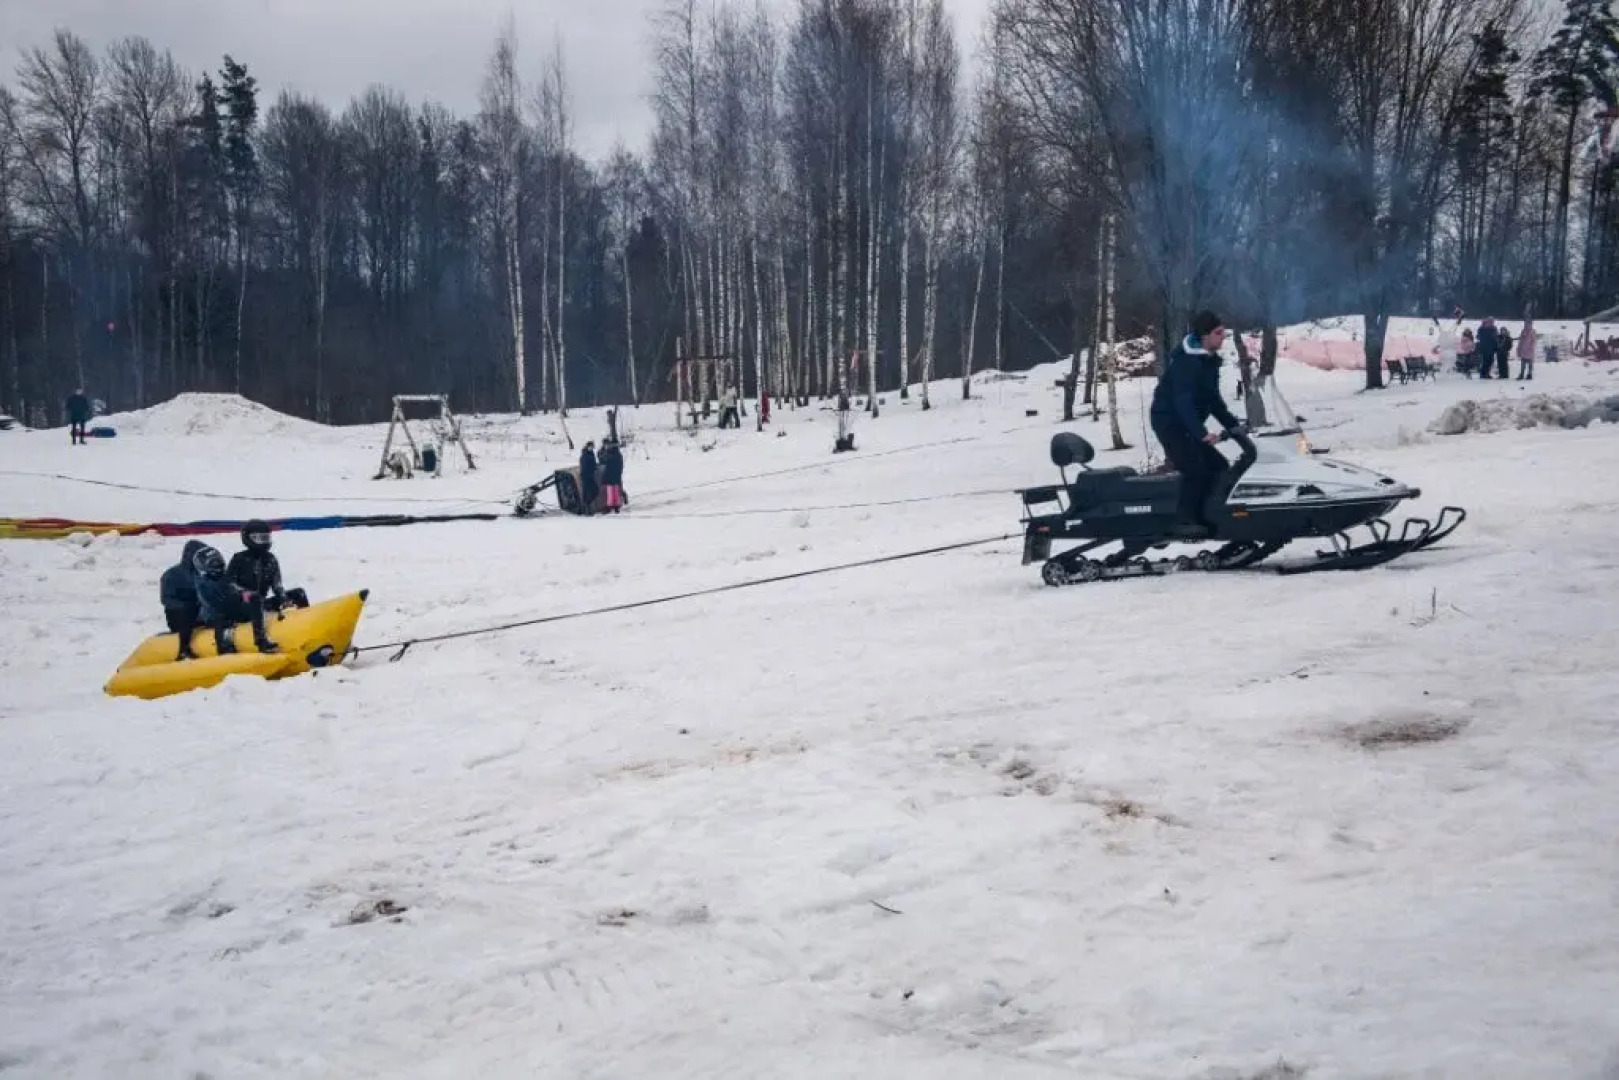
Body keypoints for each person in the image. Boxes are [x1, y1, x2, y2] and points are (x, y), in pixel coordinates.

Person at [1149, 310, 1243, 534]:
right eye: (1219, 333)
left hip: (1189, 425)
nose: (1223, 337)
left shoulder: (1208, 361)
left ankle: (1209, 514)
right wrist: (1201, 433)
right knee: (1195, 469)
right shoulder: (1187, 363)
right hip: (1170, 423)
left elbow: (1213, 400)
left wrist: (1234, 425)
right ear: (1204, 335)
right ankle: (1184, 520)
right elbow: (1183, 402)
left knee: (1219, 467)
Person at [192, 542, 279, 654]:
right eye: (213, 562)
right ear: (204, 566)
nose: (218, 564)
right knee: (222, 616)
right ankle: (258, 641)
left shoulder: (227, 575)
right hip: (218, 616)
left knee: (294, 593)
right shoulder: (204, 584)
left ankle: (294, 614)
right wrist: (243, 597)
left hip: (235, 608)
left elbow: (241, 589)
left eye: (218, 560)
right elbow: (218, 605)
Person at [227, 519, 308, 616]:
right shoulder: (239, 559)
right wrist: (246, 594)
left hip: (262, 604)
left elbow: (277, 585)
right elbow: (229, 585)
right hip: (242, 608)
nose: (263, 542)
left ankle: (306, 621)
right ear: (247, 538)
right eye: (259, 538)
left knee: (299, 593)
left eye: (266, 538)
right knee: (254, 603)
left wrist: (284, 599)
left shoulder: (270, 559)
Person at [160, 540, 211, 660]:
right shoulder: (171, 574)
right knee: (186, 614)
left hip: (201, 612)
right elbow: (166, 599)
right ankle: (183, 650)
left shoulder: (203, 573)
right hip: (179, 615)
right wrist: (185, 606)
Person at [598, 439, 625, 514]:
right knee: (613, 489)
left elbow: (604, 459)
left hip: (611, 474)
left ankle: (613, 505)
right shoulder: (616, 454)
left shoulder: (611, 453)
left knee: (612, 490)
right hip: (613, 474)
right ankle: (615, 505)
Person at [578, 441, 599, 514]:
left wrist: (595, 467)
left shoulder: (591, 454)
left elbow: (592, 464)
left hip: (590, 475)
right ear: (588, 447)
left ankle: (587, 505)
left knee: (595, 491)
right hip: (586, 476)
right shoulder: (585, 455)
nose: (592, 448)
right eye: (591, 447)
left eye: (592, 447)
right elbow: (585, 466)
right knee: (586, 492)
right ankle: (586, 508)